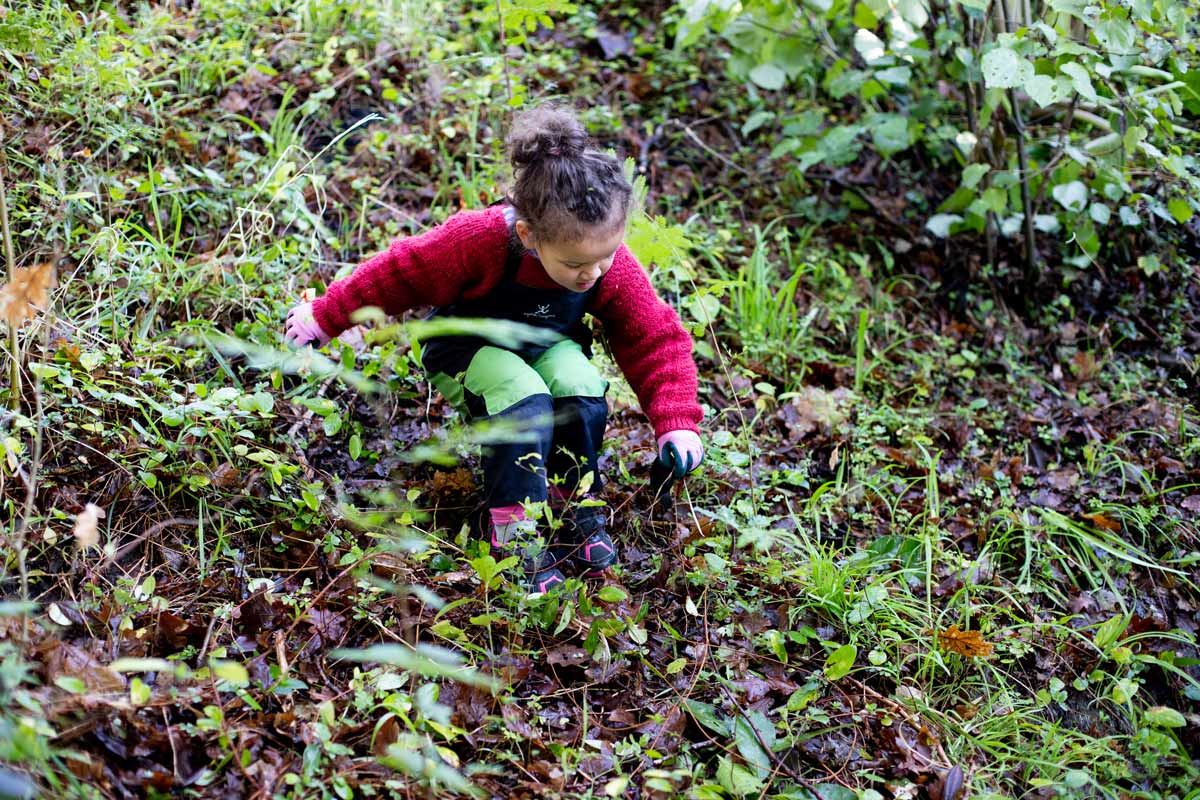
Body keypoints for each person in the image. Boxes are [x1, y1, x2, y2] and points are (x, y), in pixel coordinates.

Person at [284, 104, 703, 593]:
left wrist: (675, 423)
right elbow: (400, 272)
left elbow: (651, 335)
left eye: (605, 258)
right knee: (522, 395)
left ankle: (573, 500)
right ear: (529, 236)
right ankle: (514, 528)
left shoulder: (607, 265)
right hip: (465, 349)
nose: (592, 274)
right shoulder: (479, 241)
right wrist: (326, 316)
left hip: (545, 343)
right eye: (574, 264)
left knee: (582, 384)